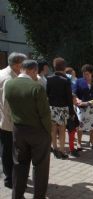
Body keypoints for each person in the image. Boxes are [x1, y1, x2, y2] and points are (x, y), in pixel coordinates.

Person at [5, 60, 51, 199]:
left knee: (19, 164)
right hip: (37, 131)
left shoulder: (9, 84)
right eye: (35, 73)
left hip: (18, 130)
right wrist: (48, 132)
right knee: (40, 166)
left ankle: (16, 196)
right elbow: (45, 113)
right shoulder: (36, 88)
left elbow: (7, 107)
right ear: (33, 70)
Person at [0, 52, 27, 189]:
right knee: (8, 152)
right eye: (24, 64)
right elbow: (7, 105)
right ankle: (10, 179)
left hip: (4, 120)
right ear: (17, 65)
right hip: (8, 123)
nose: (25, 67)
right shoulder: (8, 79)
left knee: (7, 150)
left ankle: (11, 176)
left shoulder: (5, 72)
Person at [47, 57, 75, 159]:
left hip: (52, 107)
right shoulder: (66, 80)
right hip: (63, 108)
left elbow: (47, 94)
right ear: (64, 67)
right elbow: (69, 98)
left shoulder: (49, 79)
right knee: (62, 130)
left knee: (53, 129)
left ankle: (55, 148)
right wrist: (71, 112)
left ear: (54, 67)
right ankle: (62, 150)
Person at [73, 64, 93, 150]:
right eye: (84, 74)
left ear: (91, 73)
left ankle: (91, 142)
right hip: (82, 107)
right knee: (80, 126)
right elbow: (74, 93)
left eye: (87, 74)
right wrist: (77, 99)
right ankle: (79, 143)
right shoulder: (79, 81)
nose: (85, 76)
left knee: (92, 126)